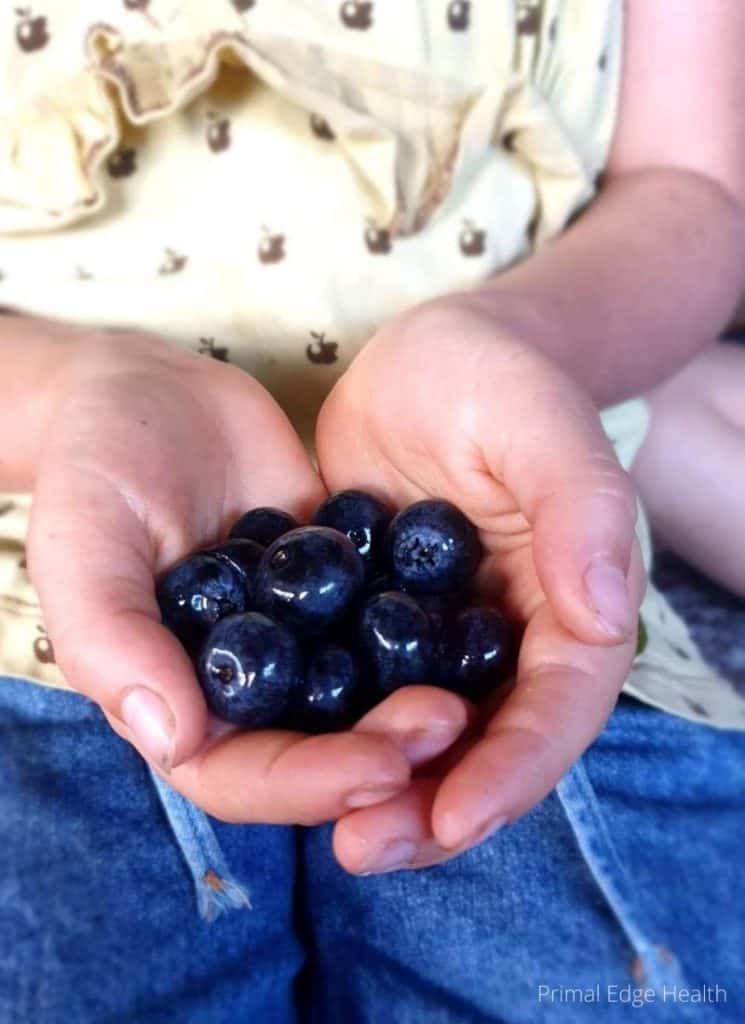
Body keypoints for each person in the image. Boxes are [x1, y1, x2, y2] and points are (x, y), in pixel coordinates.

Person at [1, 2, 744, 1021]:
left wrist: (517, 336)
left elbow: (696, 192)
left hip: (524, 574)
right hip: (39, 615)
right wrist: (66, 397)